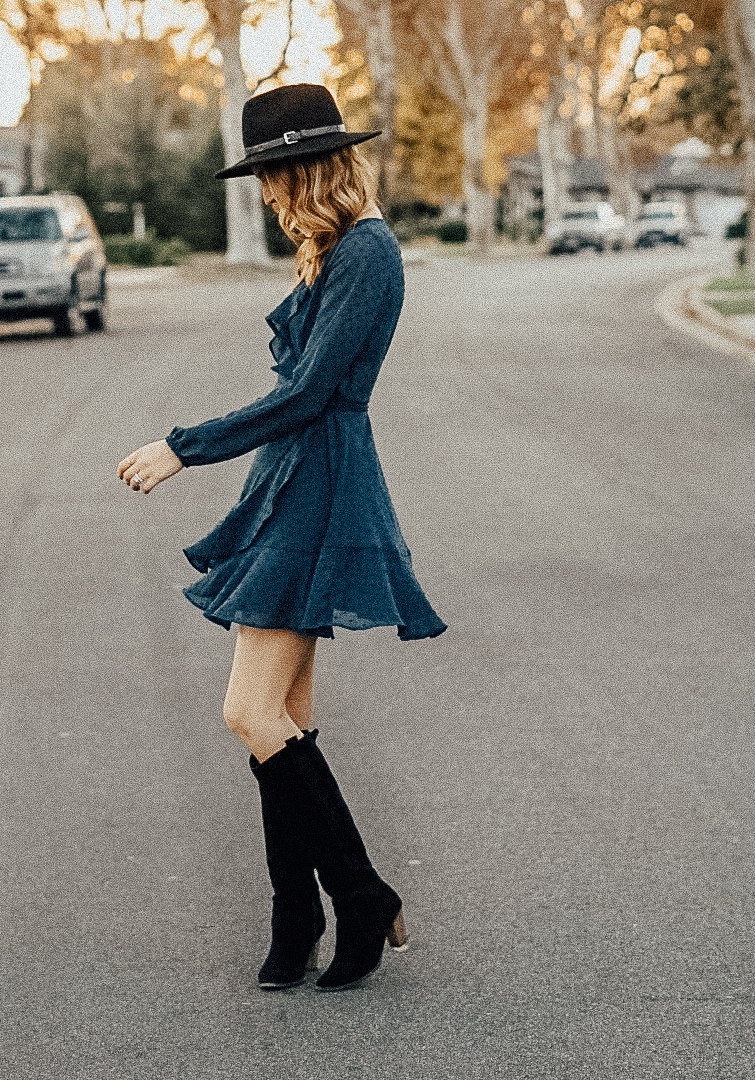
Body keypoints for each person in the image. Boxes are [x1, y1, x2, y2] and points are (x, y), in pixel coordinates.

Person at [117, 83, 446, 992]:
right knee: (283, 720)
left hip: (321, 487)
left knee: (248, 713)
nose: (266, 195)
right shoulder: (338, 251)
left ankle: (361, 894)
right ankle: (297, 917)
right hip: (294, 482)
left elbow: (306, 396)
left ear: (309, 170)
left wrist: (184, 447)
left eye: (272, 175)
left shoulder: (370, 255)